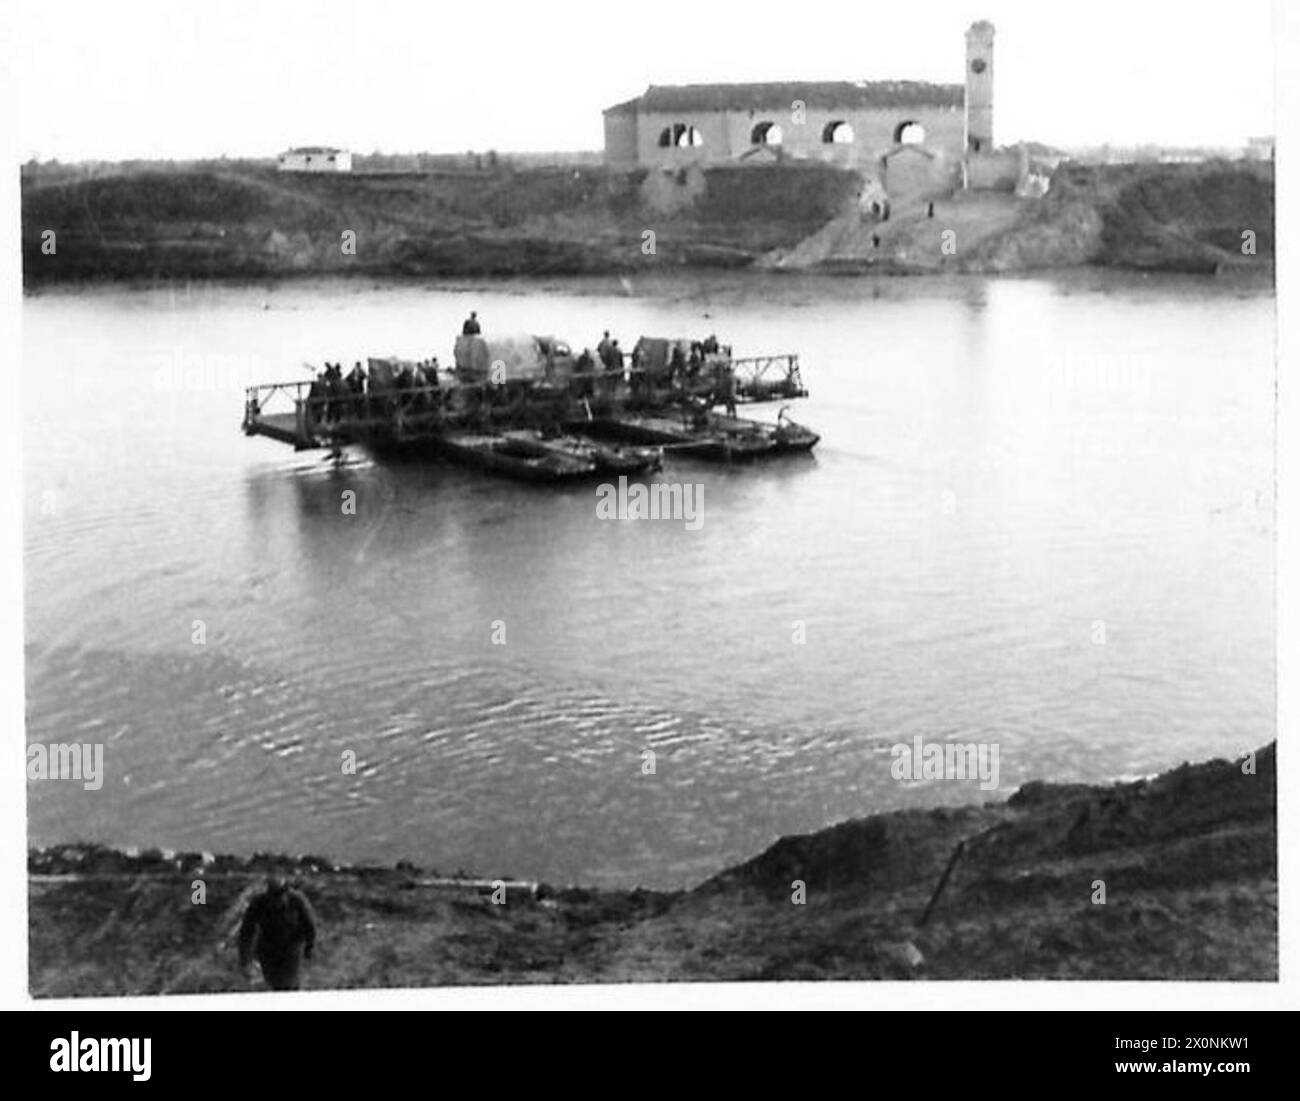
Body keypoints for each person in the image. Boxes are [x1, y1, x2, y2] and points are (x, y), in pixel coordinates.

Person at [238, 876, 318, 991]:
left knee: (290, 986)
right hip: (268, 952)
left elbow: (310, 924)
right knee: (275, 985)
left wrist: (309, 947)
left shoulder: (297, 900)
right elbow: (247, 931)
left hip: (291, 951)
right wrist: (245, 957)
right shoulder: (259, 902)